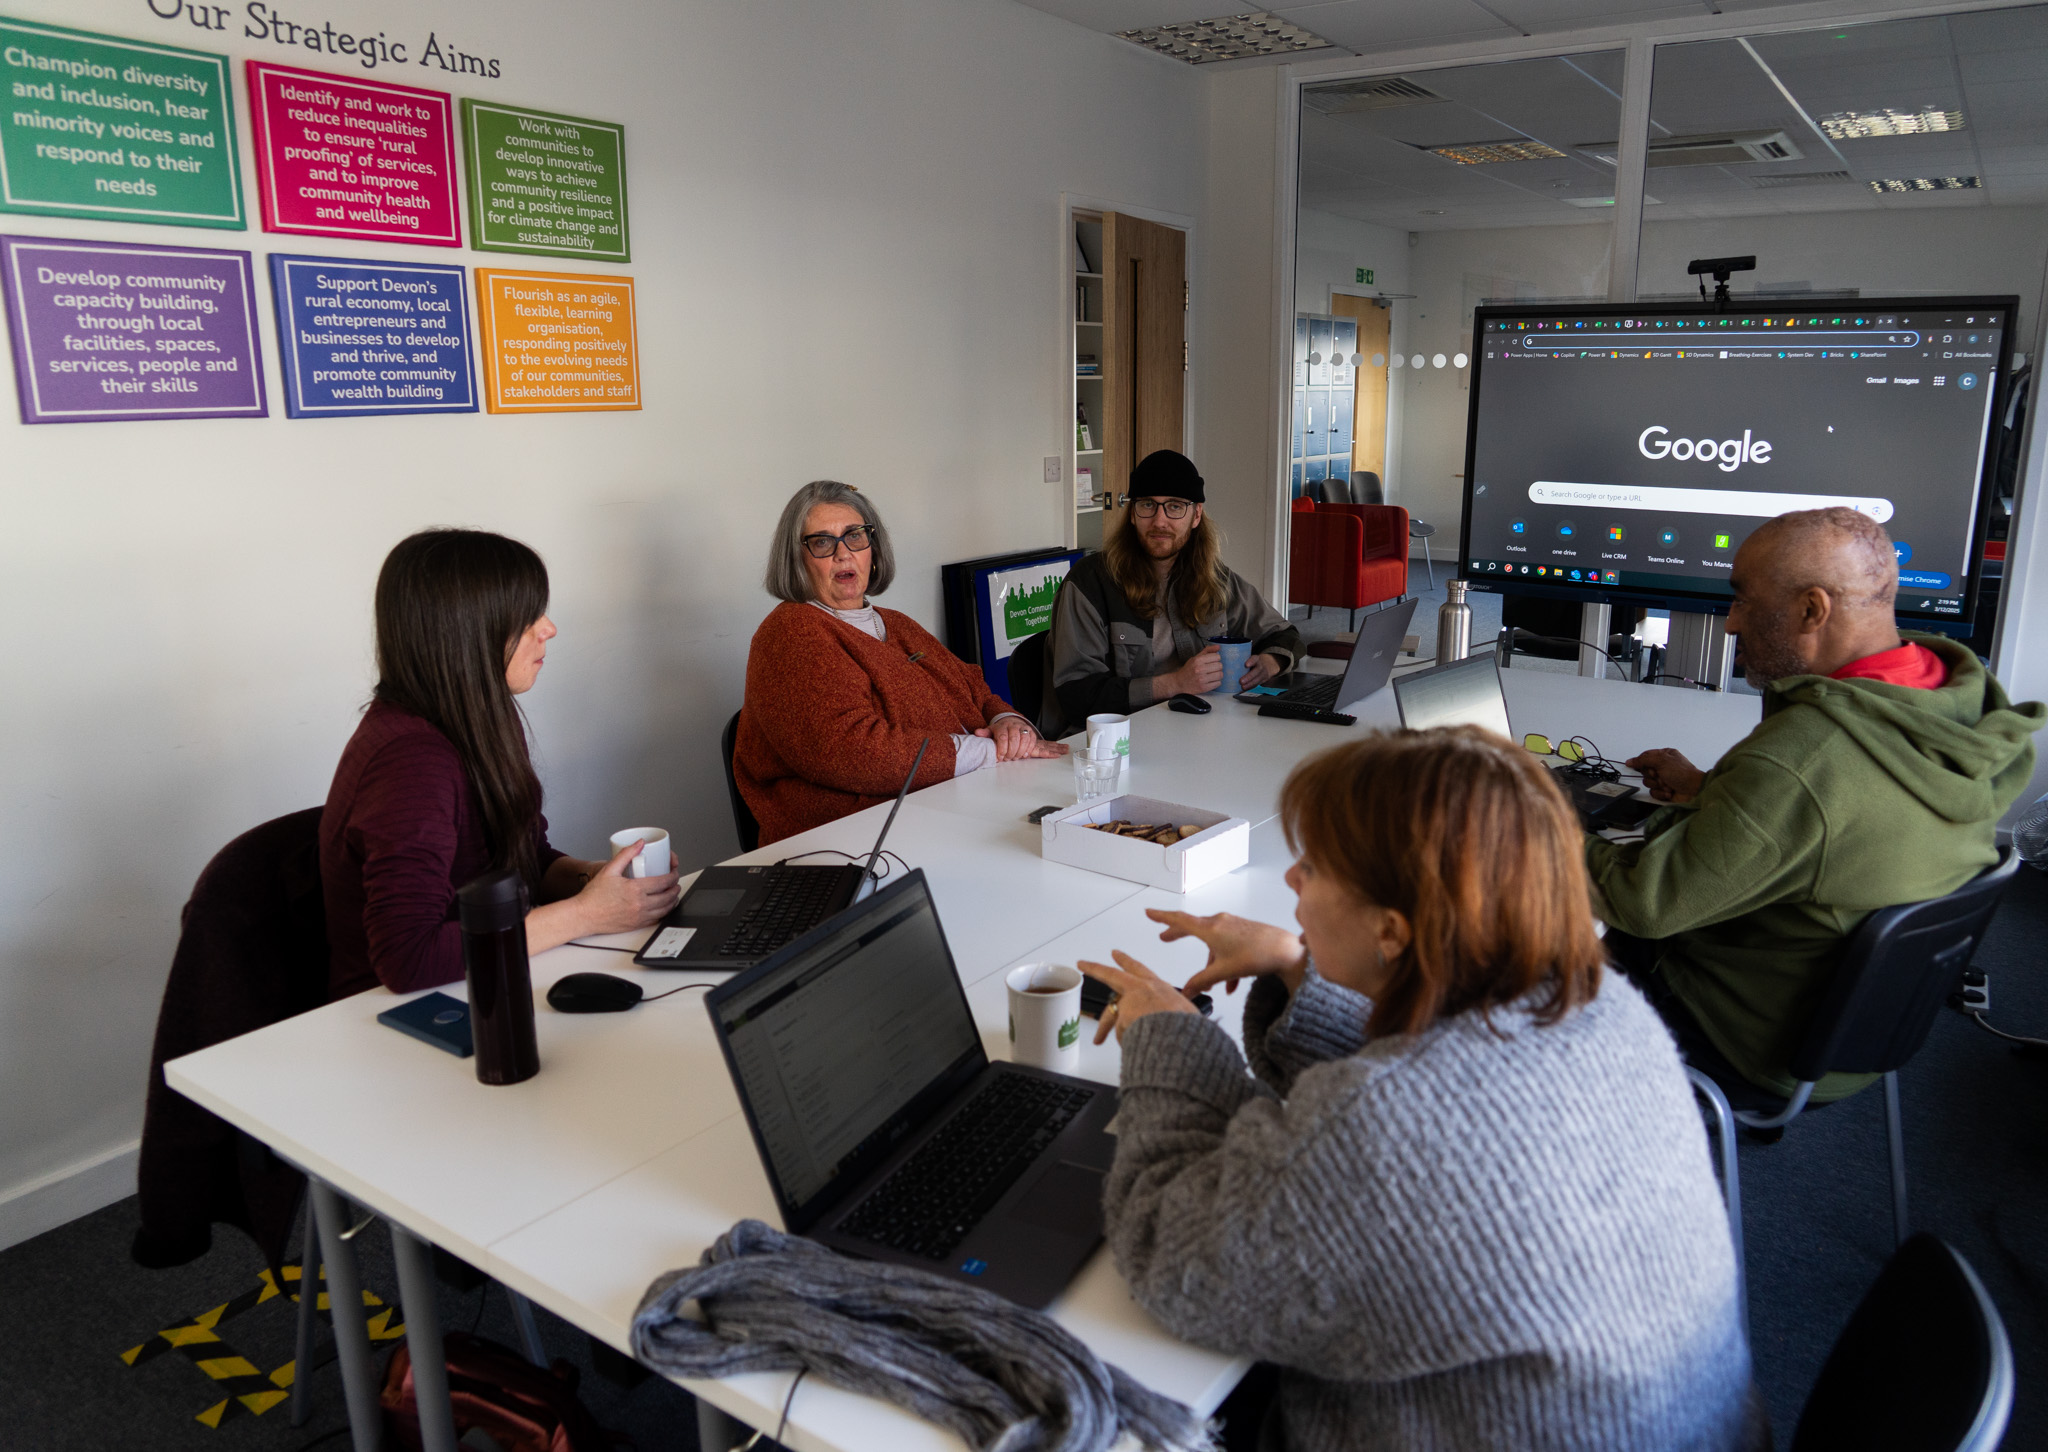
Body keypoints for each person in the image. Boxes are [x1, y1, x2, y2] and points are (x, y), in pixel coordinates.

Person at [1078, 728, 1759, 1452]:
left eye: (1317, 868)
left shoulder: (1387, 1127)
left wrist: (1171, 1043)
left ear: (1394, 931)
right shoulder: (1599, 1007)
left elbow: (1174, 1260)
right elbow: (1437, 1088)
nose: (1291, 880)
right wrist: (1298, 967)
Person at [1588, 508, 2043, 1104]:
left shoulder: (1804, 761)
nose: (1730, 625)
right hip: (1853, 1031)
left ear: (1812, 609)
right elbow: (1851, 818)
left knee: (1512, 930)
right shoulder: (1951, 701)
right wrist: (1713, 790)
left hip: (1739, 1038)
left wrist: (1533, 819)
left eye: (1743, 601)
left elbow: (1644, 904)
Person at [321, 530, 681, 998]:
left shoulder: (481, 715)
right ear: (466, 630)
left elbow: (523, 857)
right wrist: (586, 913)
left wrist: (593, 880)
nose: (547, 628)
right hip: (402, 1015)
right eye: (526, 616)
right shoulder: (410, 761)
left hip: (488, 982)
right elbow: (408, 958)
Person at [736, 481, 1066, 844]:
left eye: (855, 536)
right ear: (796, 559)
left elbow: (972, 687)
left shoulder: (893, 621)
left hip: (954, 808)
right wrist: (987, 752)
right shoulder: (790, 632)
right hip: (853, 844)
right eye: (822, 542)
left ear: (872, 549)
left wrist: (1007, 724)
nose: (843, 553)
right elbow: (850, 751)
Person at [1045, 449, 1303, 733]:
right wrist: (1175, 684)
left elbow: (1284, 634)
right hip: (1114, 744)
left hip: (1196, 734)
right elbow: (1077, 696)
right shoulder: (1089, 583)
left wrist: (1270, 662)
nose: (1159, 521)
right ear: (1132, 513)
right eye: (1147, 505)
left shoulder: (1215, 579)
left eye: (1175, 506)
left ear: (1196, 515)